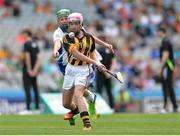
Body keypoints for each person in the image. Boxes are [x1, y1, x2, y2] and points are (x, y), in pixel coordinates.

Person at [52, 9, 114, 117]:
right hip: (65, 64)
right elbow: (57, 42)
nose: (64, 21)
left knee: (79, 90)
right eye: (61, 19)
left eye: (66, 18)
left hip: (82, 62)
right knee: (74, 90)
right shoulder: (58, 33)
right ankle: (90, 98)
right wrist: (55, 51)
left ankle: (87, 114)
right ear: (58, 21)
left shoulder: (77, 28)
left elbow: (91, 38)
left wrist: (104, 44)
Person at [62, 12, 106, 131]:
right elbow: (76, 54)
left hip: (84, 70)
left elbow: (92, 54)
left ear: (81, 24)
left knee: (78, 94)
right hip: (70, 69)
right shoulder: (66, 38)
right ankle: (76, 110)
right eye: (71, 24)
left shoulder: (89, 38)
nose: (73, 26)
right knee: (66, 104)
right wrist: (95, 62)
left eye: (75, 23)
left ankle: (87, 124)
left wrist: (99, 64)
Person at [157, 27, 178, 113]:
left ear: (163, 32)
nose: (157, 34)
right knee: (169, 86)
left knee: (165, 86)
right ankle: (174, 106)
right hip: (169, 66)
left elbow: (165, 55)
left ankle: (166, 107)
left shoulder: (165, 41)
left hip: (167, 66)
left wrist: (160, 68)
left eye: (159, 32)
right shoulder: (166, 41)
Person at [21, 29, 41, 114]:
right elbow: (39, 58)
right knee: (35, 89)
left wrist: (29, 69)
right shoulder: (35, 43)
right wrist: (35, 69)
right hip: (35, 71)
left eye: (23, 34)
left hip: (27, 70)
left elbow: (27, 56)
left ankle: (28, 109)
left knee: (27, 89)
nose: (22, 36)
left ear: (26, 34)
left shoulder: (26, 44)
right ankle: (37, 108)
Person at [96, 36, 116, 109]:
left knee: (109, 91)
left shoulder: (110, 51)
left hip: (108, 74)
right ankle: (98, 108)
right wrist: (107, 73)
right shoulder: (98, 51)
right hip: (101, 73)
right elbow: (98, 63)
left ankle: (111, 108)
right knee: (99, 91)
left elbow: (113, 62)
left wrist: (110, 72)